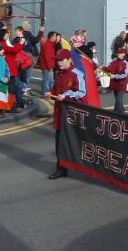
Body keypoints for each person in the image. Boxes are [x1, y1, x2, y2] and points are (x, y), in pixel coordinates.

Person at [45, 49, 87, 180]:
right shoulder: (59, 73)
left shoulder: (77, 74)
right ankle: (61, 168)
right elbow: (56, 89)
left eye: (61, 60)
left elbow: (82, 93)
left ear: (69, 60)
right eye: (57, 60)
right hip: (59, 113)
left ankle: (82, 165)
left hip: (72, 115)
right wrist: (50, 93)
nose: (59, 63)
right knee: (59, 142)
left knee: (74, 141)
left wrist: (67, 95)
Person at [0, 29, 25, 112]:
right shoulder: (1, 44)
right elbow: (14, 50)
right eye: (7, 34)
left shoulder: (1, 43)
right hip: (8, 70)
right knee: (10, 90)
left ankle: (8, 106)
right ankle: (9, 106)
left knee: (10, 89)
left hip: (8, 69)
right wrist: (21, 43)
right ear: (3, 35)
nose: (8, 35)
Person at [100, 47, 128, 113]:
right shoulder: (114, 62)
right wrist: (102, 68)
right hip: (114, 83)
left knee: (118, 98)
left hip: (122, 83)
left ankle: (117, 112)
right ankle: (122, 110)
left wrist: (115, 76)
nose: (119, 54)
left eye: (121, 53)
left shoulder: (125, 63)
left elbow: (125, 75)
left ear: (124, 54)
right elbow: (108, 68)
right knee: (118, 99)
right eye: (118, 53)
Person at [40, 31, 57, 96]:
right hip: (47, 67)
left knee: (50, 81)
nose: (56, 37)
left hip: (49, 66)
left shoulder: (50, 44)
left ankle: (49, 94)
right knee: (46, 81)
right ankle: (45, 94)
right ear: (52, 37)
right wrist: (50, 67)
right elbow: (47, 57)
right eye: (55, 36)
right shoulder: (47, 45)